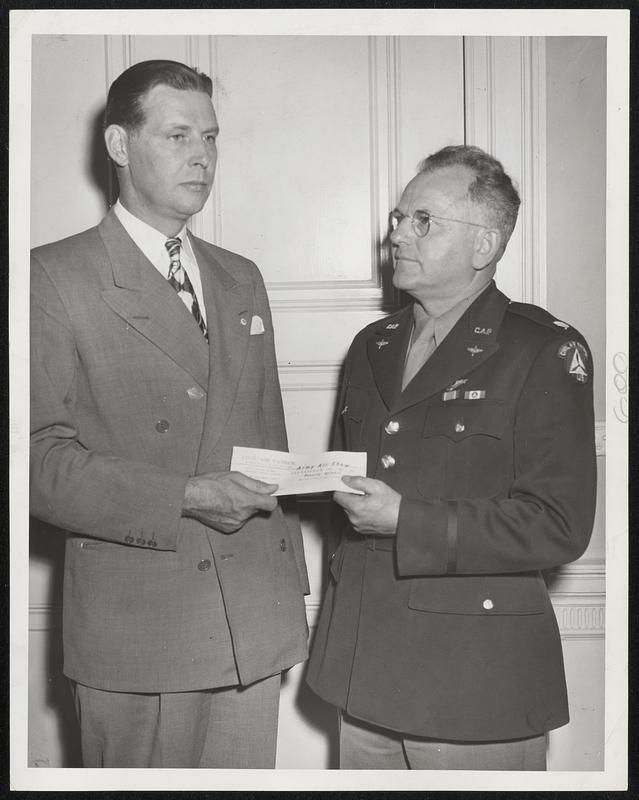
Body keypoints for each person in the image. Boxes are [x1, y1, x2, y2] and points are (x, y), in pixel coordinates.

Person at [30, 59, 309, 769]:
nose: (202, 157)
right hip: (141, 628)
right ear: (120, 145)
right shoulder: (52, 278)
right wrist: (185, 495)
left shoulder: (238, 275)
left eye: (211, 138)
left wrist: (288, 594)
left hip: (251, 618)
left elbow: (265, 437)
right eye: (179, 135)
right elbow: (35, 463)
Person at [306, 145, 596, 770]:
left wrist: (408, 521)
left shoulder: (542, 350)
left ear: (484, 245)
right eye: (398, 218)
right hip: (365, 671)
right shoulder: (371, 345)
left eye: (423, 221)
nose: (397, 235)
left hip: (474, 684)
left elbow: (560, 524)